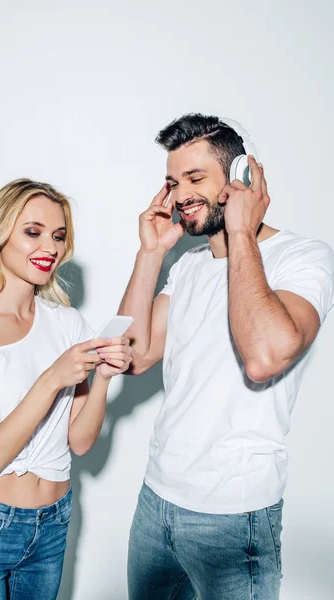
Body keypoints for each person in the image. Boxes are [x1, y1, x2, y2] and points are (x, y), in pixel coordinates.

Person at [119, 114, 334, 600]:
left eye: (196, 179)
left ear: (240, 178)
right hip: (156, 505)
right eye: (173, 183)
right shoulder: (189, 267)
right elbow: (133, 355)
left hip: (235, 519)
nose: (180, 195)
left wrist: (242, 232)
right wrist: (150, 254)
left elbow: (263, 356)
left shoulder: (303, 258)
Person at [0, 178, 132, 600]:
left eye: (58, 236)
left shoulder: (67, 324)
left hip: (53, 523)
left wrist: (102, 378)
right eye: (33, 232)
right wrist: (52, 378)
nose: (50, 247)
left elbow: (79, 443)